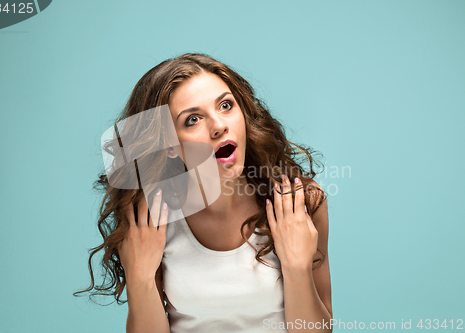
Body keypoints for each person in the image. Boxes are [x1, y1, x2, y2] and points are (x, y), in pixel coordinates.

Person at [74, 53, 333, 332]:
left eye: (225, 105)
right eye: (193, 119)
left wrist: (297, 268)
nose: (219, 125)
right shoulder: (151, 217)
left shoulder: (298, 202)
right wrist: (140, 281)